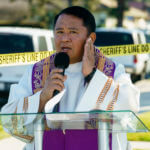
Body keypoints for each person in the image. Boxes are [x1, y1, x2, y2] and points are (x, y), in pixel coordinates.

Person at [1, 6, 139, 150]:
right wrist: (42, 98)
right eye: (59, 32)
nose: (64, 39)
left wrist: (92, 76)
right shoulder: (38, 72)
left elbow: (130, 106)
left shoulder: (110, 70)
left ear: (90, 38)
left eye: (73, 32)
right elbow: (10, 121)